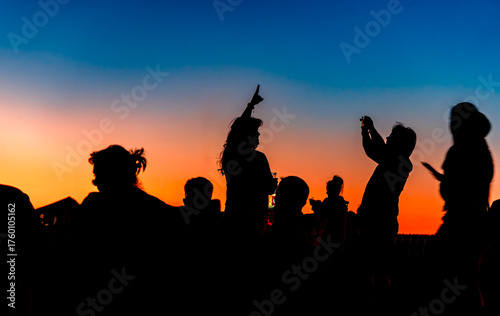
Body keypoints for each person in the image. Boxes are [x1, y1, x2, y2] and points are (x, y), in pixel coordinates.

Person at [73, 145, 180, 315]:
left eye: (100, 175)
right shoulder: (154, 208)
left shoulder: (94, 206)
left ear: (116, 174)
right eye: (95, 176)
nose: (96, 182)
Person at [423, 102, 493, 314]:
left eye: (454, 122)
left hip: (460, 222)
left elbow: (452, 191)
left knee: (441, 274)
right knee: (467, 280)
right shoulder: (482, 150)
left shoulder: (459, 150)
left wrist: (444, 181)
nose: (452, 127)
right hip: (477, 222)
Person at [356, 116, 417, 314]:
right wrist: (368, 130)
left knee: (375, 268)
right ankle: (380, 305)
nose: (388, 138)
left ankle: (380, 307)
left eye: (391, 136)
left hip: (378, 222)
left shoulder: (398, 163)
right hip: (380, 220)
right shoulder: (398, 162)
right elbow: (376, 149)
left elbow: (374, 149)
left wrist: (369, 129)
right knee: (376, 267)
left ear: (398, 143)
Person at [219, 85, 277, 236]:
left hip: (232, 215)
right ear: (248, 135)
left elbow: (236, 130)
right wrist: (273, 183)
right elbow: (269, 187)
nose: (259, 135)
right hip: (255, 219)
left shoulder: (231, 155)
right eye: (256, 132)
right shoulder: (258, 158)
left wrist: (250, 106)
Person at [310, 175, 348, 246]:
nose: (326, 193)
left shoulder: (338, 204)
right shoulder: (340, 204)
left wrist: (317, 206)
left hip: (330, 239)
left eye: (328, 190)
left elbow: (324, 216)